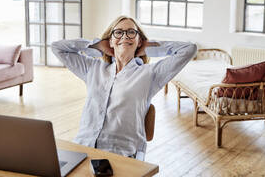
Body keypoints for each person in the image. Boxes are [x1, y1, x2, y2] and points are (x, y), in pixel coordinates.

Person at [51, 15, 197, 159]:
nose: (125, 36)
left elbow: (189, 49)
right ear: (110, 41)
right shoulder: (93, 68)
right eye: (118, 32)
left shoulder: (150, 74)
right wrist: (96, 46)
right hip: (82, 148)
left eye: (131, 32)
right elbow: (57, 47)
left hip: (121, 155)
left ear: (140, 41)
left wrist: (150, 47)